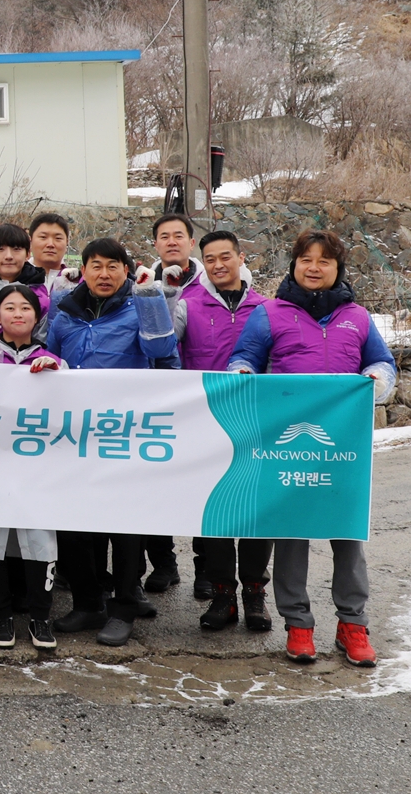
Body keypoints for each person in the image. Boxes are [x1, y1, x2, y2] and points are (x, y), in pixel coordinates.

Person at [228, 229, 396, 667]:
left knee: (348, 535)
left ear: (338, 268)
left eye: (324, 260)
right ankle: (298, 624)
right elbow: (243, 358)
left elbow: (382, 363)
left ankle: (352, 624)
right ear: (294, 265)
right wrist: (244, 375)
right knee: (292, 534)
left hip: (343, 447)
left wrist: (377, 380)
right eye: (306, 259)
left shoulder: (357, 317)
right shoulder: (269, 313)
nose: (314, 267)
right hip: (288, 446)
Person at [44, 237, 178, 647]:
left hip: (126, 433)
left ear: (127, 269)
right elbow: (49, 361)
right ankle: (88, 603)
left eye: (112, 266)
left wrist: (150, 294)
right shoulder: (63, 313)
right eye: (95, 266)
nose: (104, 274)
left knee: (124, 525)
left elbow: (162, 348)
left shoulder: (142, 306)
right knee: (74, 524)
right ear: (82, 270)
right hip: (75, 436)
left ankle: (123, 607)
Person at [171, 229, 273, 632]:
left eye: (225, 257)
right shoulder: (187, 304)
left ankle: (254, 594)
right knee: (213, 510)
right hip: (204, 421)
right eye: (209, 259)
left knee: (254, 511)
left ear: (240, 256)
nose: (217, 265)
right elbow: (165, 353)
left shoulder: (266, 307)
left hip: (256, 420)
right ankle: (222, 595)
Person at [0, 284, 63, 651]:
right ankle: (0, 615)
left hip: (37, 470)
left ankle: (40, 617)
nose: (18, 314)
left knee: (39, 540)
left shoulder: (55, 362)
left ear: (37, 317)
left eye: (25, 308)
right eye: (9, 308)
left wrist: (56, 379)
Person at [140, 213, 201, 594]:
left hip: (202, 397)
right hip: (157, 397)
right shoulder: (144, 285)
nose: (172, 241)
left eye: (179, 235)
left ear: (191, 243)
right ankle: (164, 563)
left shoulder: (209, 284)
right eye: (164, 236)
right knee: (152, 484)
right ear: (156, 245)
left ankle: (208, 569)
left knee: (202, 483)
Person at [28, 213, 72, 280]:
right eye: (43, 237)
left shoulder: (76, 282)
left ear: (67, 242)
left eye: (58, 238)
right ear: (30, 241)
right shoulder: (16, 277)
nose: (50, 244)